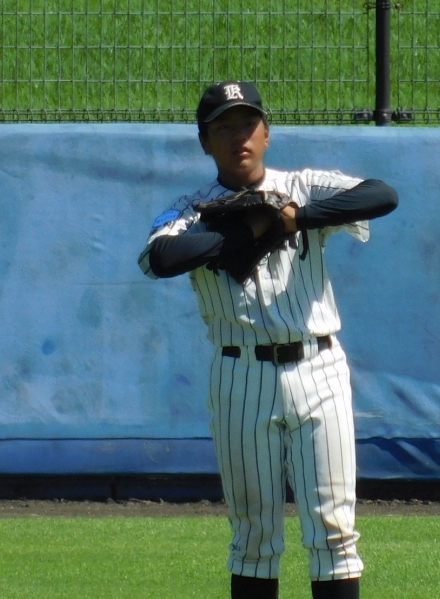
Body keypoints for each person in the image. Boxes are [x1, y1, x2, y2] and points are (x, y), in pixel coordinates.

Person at [137, 80, 398, 599]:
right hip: (240, 374)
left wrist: (296, 218)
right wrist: (247, 233)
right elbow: (160, 258)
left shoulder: (301, 185)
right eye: (224, 128)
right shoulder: (190, 209)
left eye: (248, 123)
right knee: (254, 538)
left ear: (267, 133)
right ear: (204, 141)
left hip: (318, 367)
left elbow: (381, 195)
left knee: (335, 534)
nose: (239, 136)